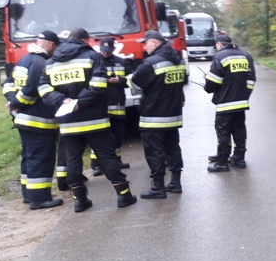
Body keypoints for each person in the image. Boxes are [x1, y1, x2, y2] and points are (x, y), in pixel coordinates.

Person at [39, 28, 137, 212]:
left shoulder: (52, 62)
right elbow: (99, 84)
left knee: (73, 161)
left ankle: (80, 200)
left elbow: (43, 88)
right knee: (107, 158)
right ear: (84, 40)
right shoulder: (92, 57)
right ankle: (124, 196)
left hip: (68, 122)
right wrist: (80, 103)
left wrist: (62, 100)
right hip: (95, 120)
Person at [3, 30, 64, 210]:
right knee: (41, 159)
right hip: (38, 121)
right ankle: (40, 198)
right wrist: (17, 103)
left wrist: (12, 101)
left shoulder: (24, 60)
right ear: (51, 45)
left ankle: (28, 194)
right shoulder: (41, 63)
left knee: (29, 158)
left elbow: (8, 83)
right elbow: (31, 91)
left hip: (23, 120)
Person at [130, 30, 187, 196]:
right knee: (173, 148)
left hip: (153, 115)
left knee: (154, 152)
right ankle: (175, 182)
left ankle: (158, 187)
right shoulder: (179, 60)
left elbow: (135, 85)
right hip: (173, 115)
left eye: (145, 43)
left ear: (154, 43)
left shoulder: (151, 62)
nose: (144, 47)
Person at [203, 34, 256, 173]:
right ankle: (239, 159)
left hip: (225, 103)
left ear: (219, 44)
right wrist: (245, 95)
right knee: (239, 130)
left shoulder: (220, 57)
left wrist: (207, 85)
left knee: (223, 132)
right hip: (241, 103)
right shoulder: (246, 56)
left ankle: (222, 161)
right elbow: (251, 80)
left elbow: (213, 82)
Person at [90, 37, 130, 176]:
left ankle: (117, 161)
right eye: (103, 50)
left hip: (118, 104)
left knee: (118, 136)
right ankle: (96, 165)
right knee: (99, 137)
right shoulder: (94, 61)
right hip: (101, 106)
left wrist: (120, 80)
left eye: (108, 51)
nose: (105, 53)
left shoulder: (121, 62)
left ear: (113, 49)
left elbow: (131, 80)